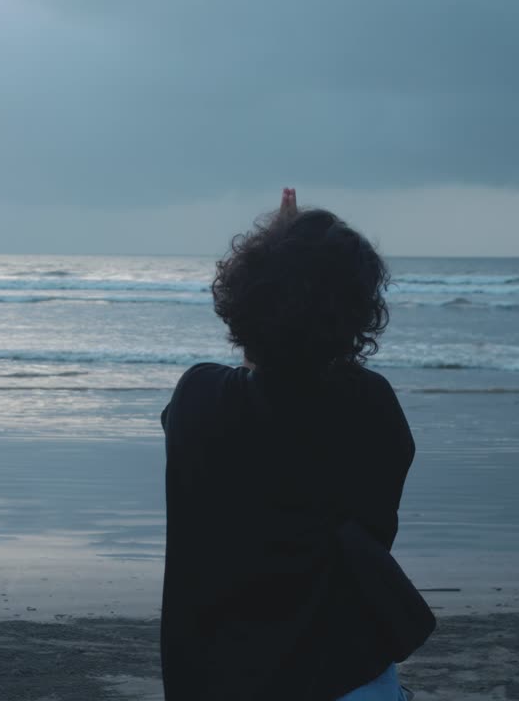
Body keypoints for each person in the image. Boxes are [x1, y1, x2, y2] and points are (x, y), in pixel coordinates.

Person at [160, 189, 418, 700]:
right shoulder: (371, 407)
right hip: (342, 677)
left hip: (220, 680)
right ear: (358, 314)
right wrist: (296, 265)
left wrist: (275, 261)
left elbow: (259, 384)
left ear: (240, 301)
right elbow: (375, 532)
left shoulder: (197, 399)